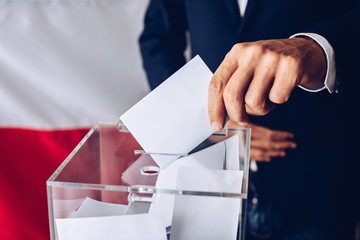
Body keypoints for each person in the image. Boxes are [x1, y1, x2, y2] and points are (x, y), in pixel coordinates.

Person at [138, 0, 360, 239]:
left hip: (317, 176)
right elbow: (158, 37)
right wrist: (205, 116)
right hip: (212, 179)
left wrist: (317, 49)